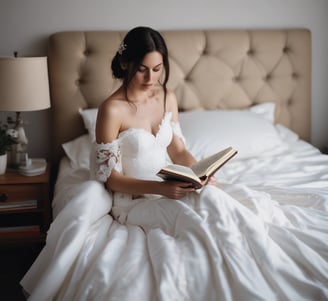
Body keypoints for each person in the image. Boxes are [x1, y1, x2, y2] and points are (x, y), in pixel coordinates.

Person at [91, 26, 328, 300]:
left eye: (157, 69)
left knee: (218, 199)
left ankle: (268, 261)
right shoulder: (111, 109)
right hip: (133, 200)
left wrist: (199, 173)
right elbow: (109, 178)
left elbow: (178, 149)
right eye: (143, 69)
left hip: (170, 187)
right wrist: (162, 190)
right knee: (198, 220)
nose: (150, 78)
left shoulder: (167, 97)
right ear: (124, 63)